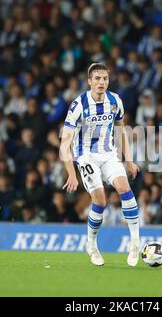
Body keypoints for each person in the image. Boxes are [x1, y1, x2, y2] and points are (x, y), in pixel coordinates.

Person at [60, 63, 141, 267]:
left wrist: (129, 160)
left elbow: (121, 131)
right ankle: (92, 245)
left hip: (108, 154)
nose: (101, 82)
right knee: (100, 201)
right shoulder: (79, 105)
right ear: (89, 81)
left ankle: (135, 243)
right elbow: (65, 143)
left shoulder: (115, 101)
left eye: (105, 78)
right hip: (86, 157)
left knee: (125, 188)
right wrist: (71, 173)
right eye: (97, 78)